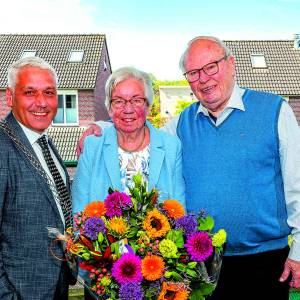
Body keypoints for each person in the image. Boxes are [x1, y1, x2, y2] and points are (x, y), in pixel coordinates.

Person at [77, 36, 300, 300]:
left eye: (211, 67)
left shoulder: (275, 110)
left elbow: (297, 184)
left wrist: (298, 252)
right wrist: (101, 128)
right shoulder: (184, 122)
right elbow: (139, 130)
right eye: (193, 73)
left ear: (231, 64)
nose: (203, 78)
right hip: (199, 263)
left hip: (263, 262)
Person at [72, 66, 185, 299]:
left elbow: (179, 210)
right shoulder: (92, 146)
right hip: (103, 274)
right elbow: (79, 212)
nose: (128, 109)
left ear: (148, 104)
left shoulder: (171, 146)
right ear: (109, 106)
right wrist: (96, 265)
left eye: (136, 100)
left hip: (158, 272)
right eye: (119, 101)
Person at [0, 57, 76, 300]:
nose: (42, 103)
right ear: (10, 97)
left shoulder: (44, 141)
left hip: (56, 285)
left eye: (49, 93)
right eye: (30, 92)